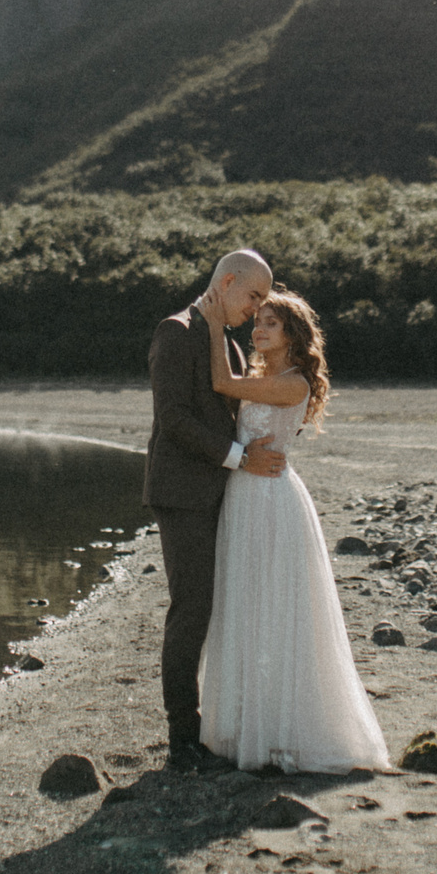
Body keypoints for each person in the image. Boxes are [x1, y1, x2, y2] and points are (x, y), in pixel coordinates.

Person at [196, 288, 390, 774]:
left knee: (275, 606)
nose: (258, 330)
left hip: (270, 499)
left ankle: (281, 731)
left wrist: (214, 319)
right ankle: (246, 724)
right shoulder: (265, 375)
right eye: (256, 321)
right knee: (247, 602)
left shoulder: (293, 383)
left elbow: (221, 381)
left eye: (270, 324)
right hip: (245, 494)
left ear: (293, 335)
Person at [146, 248, 284, 775]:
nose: (255, 309)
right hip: (181, 494)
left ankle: (214, 726)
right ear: (227, 282)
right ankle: (182, 739)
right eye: (252, 296)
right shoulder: (175, 332)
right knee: (191, 612)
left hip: (220, 492)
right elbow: (174, 418)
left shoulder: (223, 341)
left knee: (213, 610)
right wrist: (239, 459)